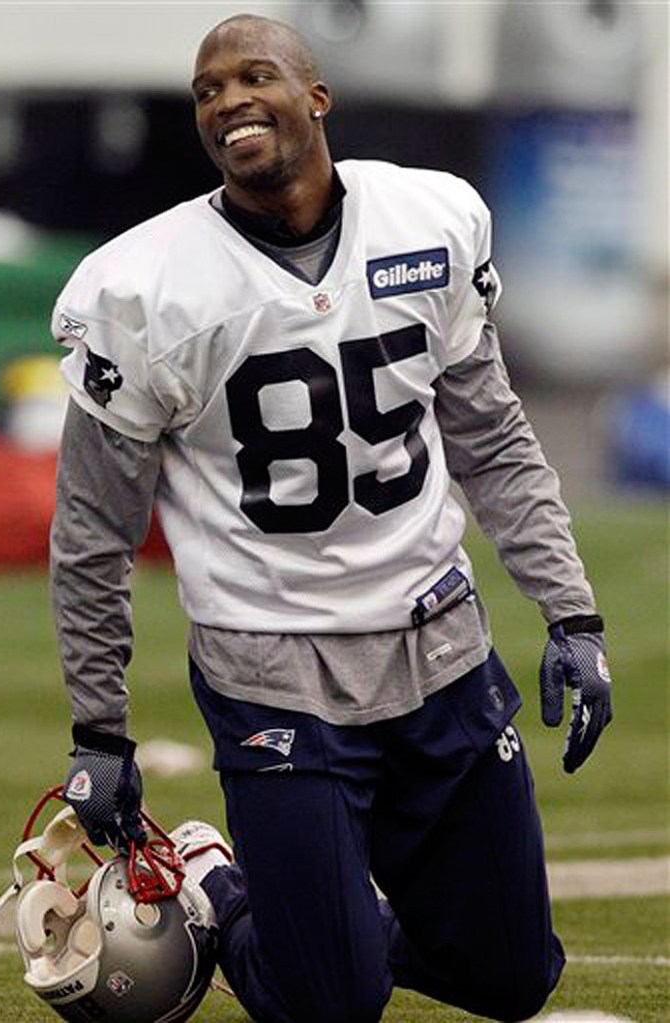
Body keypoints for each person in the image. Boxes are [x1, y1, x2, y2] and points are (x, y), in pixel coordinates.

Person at [50, 14, 613, 1023]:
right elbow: (93, 529)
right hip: (273, 667)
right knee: (332, 1009)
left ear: (317, 98)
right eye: (207, 91)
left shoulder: (427, 222)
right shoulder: (142, 287)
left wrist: (571, 616)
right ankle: (223, 890)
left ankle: (337, 929)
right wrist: (100, 726)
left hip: (436, 646)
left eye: (254, 76)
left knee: (512, 978)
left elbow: (492, 439)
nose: (229, 101)